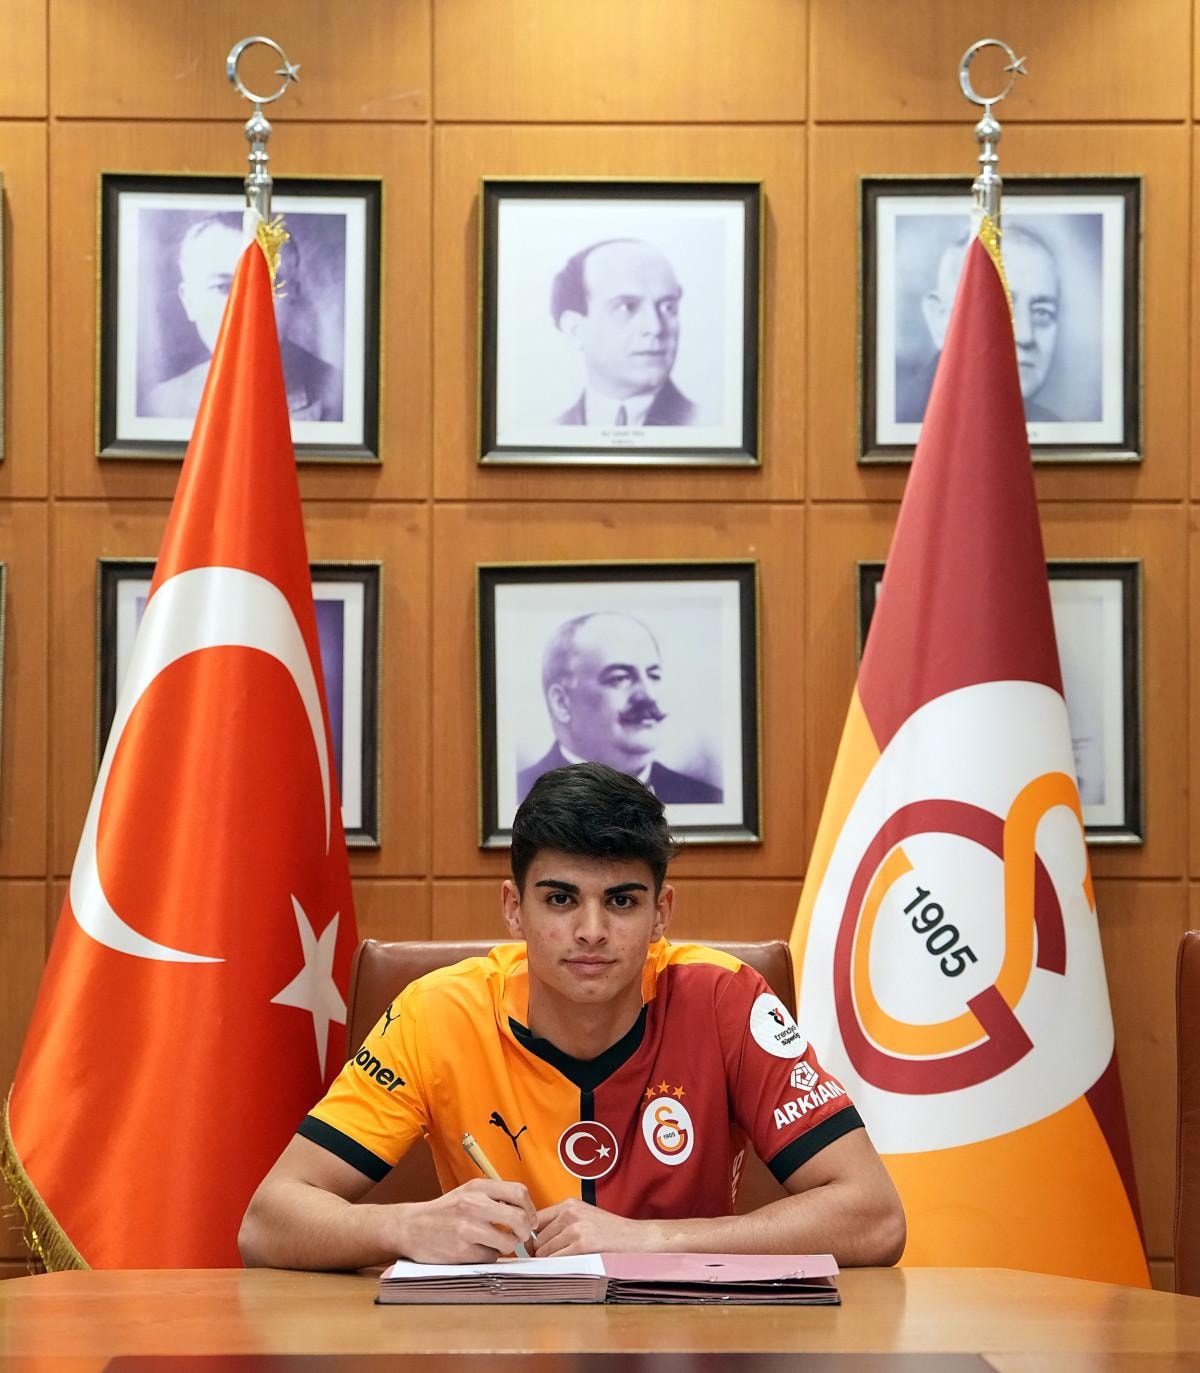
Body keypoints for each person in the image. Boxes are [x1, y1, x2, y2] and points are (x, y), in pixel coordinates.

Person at [238, 763, 906, 1269]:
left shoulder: (725, 998)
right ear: (514, 909)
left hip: (687, 1343)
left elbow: (874, 1217)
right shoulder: (435, 1012)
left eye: (621, 901)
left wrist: (649, 1241)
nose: (591, 930)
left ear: (661, 913)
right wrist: (405, 1226)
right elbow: (268, 1221)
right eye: (560, 899)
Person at [143, 213, 343, 422]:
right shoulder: (161, 407)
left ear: (293, 293)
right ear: (189, 302)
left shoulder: (343, 400)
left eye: (266, 285)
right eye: (223, 287)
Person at [517, 611, 721, 804]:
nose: (648, 695)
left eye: (654, 675)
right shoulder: (528, 797)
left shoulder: (704, 796)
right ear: (561, 702)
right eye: (620, 678)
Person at [898, 222, 1061, 423]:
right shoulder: (903, 418)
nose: (1025, 335)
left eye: (1042, 313)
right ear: (940, 319)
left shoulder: (1053, 427)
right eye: (1000, 309)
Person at [550, 238, 699, 427]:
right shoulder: (552, 429)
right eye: (627, 307)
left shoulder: (706, 424)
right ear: (575, 330)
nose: (655, 327)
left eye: (668, 307)